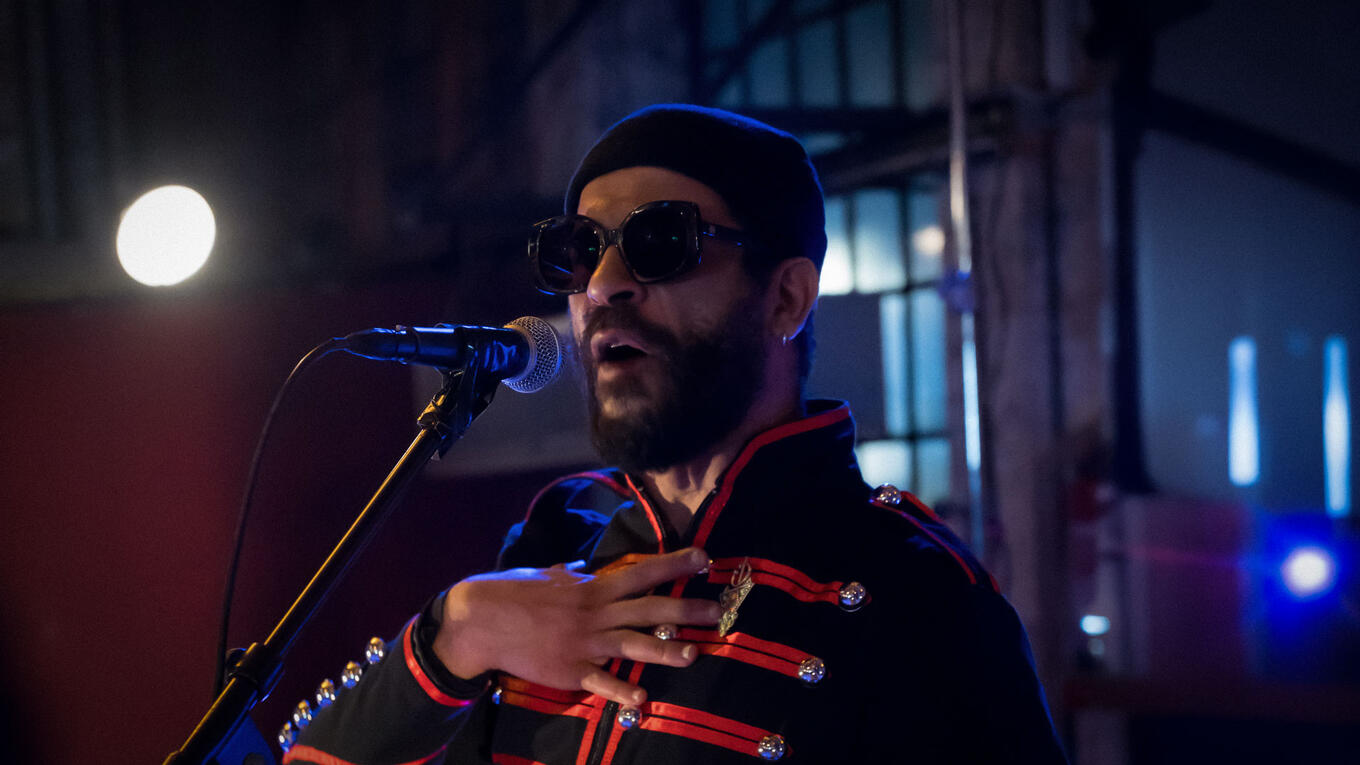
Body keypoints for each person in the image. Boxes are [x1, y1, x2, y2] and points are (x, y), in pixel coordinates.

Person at [284, 104, 1067, 764]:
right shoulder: (557, 541)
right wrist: (453, 632)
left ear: (786, 299)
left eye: (662, 241)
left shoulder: (917, 590)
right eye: (582, 250)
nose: (603, 284)